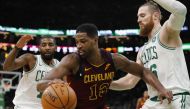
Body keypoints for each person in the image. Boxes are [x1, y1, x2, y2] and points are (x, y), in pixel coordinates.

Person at [37, 23, 172, 109]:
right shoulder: (72, 60)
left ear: (95, 40)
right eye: (76, 42)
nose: (78, 45)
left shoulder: (114, 59)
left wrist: (161, 88)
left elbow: (143, 71)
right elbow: (40, 85)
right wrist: (51, 83)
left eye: (83, 41)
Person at [110, 0, 190, 108]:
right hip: (153, 101)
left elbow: (180, 10)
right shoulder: (142, 50)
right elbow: (129, 81)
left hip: (176, 97)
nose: (138, 20)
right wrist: (106, 84)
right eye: (138, 17)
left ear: (155, 16)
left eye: (142, 16)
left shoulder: (166, 33)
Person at [3, 35, 59, 109]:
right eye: (44, 45)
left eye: (51, 45)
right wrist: (17, 48)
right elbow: (7, 67)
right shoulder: (31, 59)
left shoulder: (59, 65)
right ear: (39, 48)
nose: (47, 48)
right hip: (24, 106)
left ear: (56, 47)